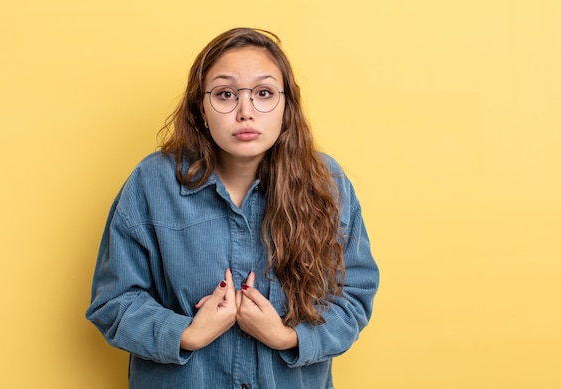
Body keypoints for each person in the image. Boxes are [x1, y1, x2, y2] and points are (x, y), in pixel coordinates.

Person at [86, 27, 379, 389]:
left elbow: (353, 297)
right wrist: (187, 334)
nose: (245, 112)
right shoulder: (152, 183)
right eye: (225, 94)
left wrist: (288, 337)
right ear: (201, 109)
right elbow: (113, 302)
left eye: (264, 93)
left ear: (286, 107)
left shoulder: (328, 184)